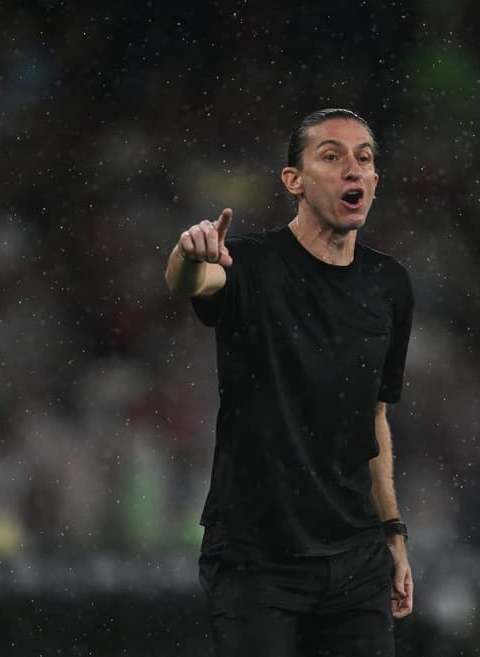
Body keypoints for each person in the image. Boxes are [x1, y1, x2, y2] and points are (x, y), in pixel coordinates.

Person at [163, 108, 414, 657]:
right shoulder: (250, 263)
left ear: (374, 182)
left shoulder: (390, 285)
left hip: (355, 559)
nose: (353, 169)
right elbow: (191, 281)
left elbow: (374, 415)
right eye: (332, 156)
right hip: (258, 560)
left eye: (364, 159)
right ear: (293, 181)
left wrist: (393, 534)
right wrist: (188, 252)